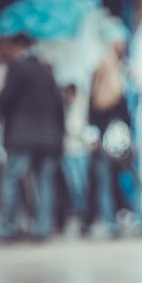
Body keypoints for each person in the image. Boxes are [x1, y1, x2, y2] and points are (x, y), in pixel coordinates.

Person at [0, 34, 64, 241]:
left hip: (21, 136)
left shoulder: (17, 68)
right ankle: (41, 228)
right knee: (44, 183)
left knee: (13, 181)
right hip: (48, 137)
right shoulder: (46, 71)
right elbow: (58, 106)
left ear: (20, 47)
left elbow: (5, 101)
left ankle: (8, 228)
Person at [82, 37, 131, 237]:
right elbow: (127, 119)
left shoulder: (96, 95)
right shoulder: (118, 93)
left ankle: (110, 220)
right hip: (117, 145)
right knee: (118, 181)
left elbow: (90, 118)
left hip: (102, 144)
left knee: (104, 183)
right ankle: (125, 218)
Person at [61, 84, 89, 218]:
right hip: (68, 150)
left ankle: (83, 211)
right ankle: (78, 211)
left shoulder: (82, 107)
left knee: (81, 184)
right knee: (72, 185)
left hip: (81, 150)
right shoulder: (64, 107)